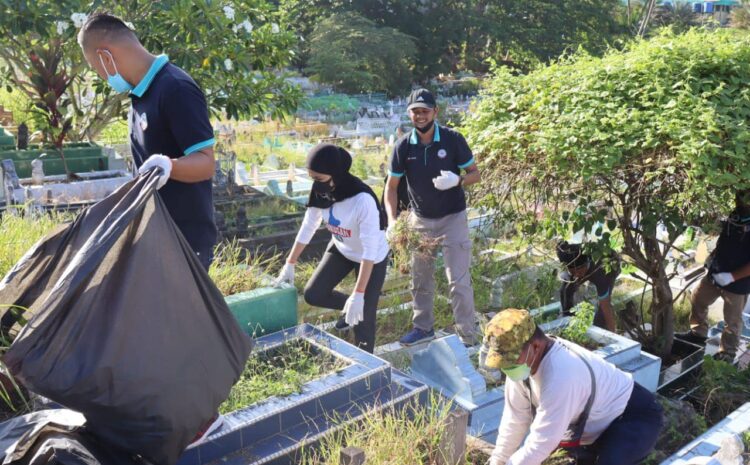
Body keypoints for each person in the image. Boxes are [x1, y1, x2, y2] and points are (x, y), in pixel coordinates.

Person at [78, 13, 217, 271]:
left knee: (179, 313)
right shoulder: (141, 94)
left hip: (185, 240)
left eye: (94, 67)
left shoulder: (176, 88)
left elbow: (206, 163)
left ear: (106, 57)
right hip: (156, 236)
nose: (100, 76)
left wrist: (169, 166)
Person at [483, 309, 663, 465]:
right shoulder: (521, 367)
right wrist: (498, 460)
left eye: (510, 359)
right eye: (503, 362)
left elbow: (541, 442)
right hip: (595, 424)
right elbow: (515, 419)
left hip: (633, 417)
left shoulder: (562, 373)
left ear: (536, 346)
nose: (507, 367)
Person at [384, 88, 481, 346]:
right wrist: (392, 221)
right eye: (415, 111)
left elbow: (476, 173)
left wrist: (458, 180)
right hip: (420, 221)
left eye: (425, 110)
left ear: (435, 112)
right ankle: (423, 327)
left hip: (453, 218)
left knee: (458, 280)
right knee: (420, 278)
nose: (420, 115)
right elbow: (391, 188)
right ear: (409, 114)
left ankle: (467, 334)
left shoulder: (452, 139)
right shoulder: (403, 147)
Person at [275, 144, 389, 353]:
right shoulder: (323, 189)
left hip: (371, 257)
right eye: (312, 178)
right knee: (313, 294)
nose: (315, 184)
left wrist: (360, 293)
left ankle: (367, 369)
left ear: (335, 174)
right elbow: (309, 226)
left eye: (318, 178)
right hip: (342, 248)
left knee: (364, 321)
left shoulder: (362, 200)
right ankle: (352, 307)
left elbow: (370, 250)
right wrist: (289, 262)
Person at [677, 190, 750, 363]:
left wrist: (732, 277)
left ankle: (727, 353)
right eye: (739, 196)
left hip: (737, 283)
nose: (739, 199)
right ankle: (698, 333)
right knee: (698, 299)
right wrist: (713, 257)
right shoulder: (737, 214)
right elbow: (726, 238)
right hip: (716, 273)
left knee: (732, 321)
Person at [556, 241, 620, 332]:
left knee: (603, 310)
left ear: (587, 263)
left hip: (611, 265)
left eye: (580, 271)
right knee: (566, 290)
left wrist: (615, 336)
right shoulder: (572, 254)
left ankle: (601, 329)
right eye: (573, 272)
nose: (577, 275)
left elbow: (605, 306)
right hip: (588, 267)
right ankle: (569, 324)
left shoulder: (601, 275)